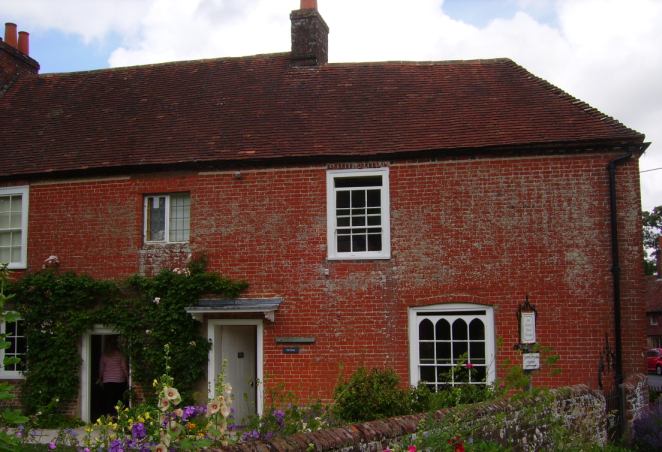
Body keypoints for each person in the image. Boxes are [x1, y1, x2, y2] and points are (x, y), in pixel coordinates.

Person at [99, 336, 129, 415]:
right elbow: (124, 367)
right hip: (119, 380)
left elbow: (101, 369)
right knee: (119, 400)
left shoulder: (104, 355)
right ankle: (119, 416)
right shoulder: (120, 354)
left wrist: (100, 379)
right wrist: (128, 378)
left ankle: (109, 417)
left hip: (107, 380)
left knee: (109, 400)